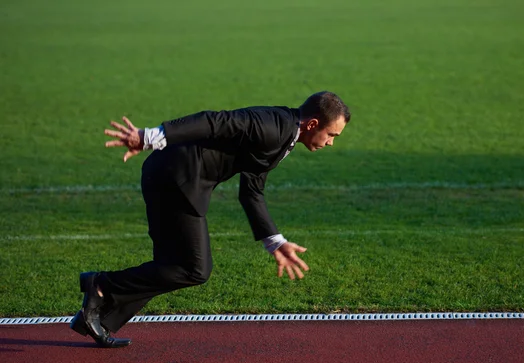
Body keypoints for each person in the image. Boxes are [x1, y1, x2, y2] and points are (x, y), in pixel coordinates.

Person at [70, 91, 351, 348]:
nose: (331, 142)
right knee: (195, 269)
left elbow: (251, 191)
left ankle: (98, 317)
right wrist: (151, 137)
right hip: (176, 179)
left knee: (168, 266)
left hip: (171, 177)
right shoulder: (271, 126)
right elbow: (215, 121)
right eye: (332, 134)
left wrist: (275, 242)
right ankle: (101, 286)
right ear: (313, 124)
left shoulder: (284, 135)